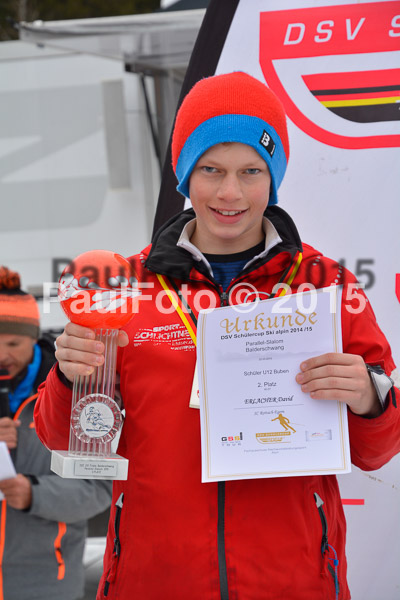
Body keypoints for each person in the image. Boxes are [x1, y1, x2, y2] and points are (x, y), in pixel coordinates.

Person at [34, 72, 400, 600]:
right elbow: (62, 439)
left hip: (293, 581)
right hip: (156, 579)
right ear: (185, 175)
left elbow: (378, 450)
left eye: (252, 170)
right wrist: (70, 377)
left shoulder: (324, 285)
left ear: (273, 177)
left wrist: (369, 397)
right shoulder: (124, 288)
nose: (231, 193)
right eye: (211, 170)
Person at [0, 266, 112, 600]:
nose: (2, 355)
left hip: (46, 583)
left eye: (13, 343)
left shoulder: (75, 388)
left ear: (34, 338)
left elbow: (98, 488)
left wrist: (34, 494)